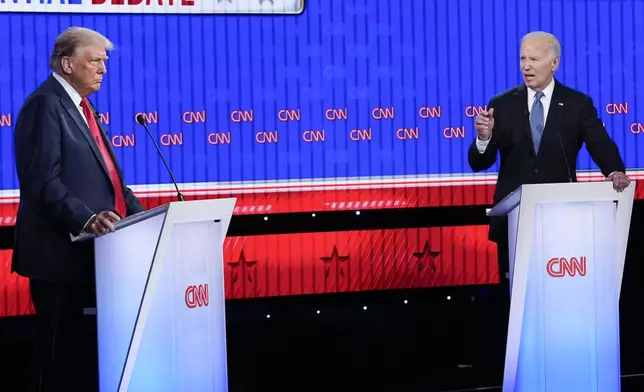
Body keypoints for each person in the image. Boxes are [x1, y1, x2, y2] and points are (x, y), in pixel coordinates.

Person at [12, 27, 144, 392]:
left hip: (95, 256)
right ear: (67, 64)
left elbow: (112, 180)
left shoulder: (82, 108)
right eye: (95, 60)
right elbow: (42, 181)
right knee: (60, 361)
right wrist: (86, 218)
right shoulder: (45, 104)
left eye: (105, 61)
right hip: (59, 259)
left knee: (86, 360)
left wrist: (146, 216)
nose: (103, 69)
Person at [468, 31, 631, 286]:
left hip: (561, 221)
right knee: (513, 299)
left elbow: (599, 143)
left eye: (533, 59)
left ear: (554, 63)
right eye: (522, 58)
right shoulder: (501, 104)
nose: (526, 66)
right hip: (514, 223)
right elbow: (479, 163)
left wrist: (614, 171)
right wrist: (484, 138)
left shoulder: (577, 103)